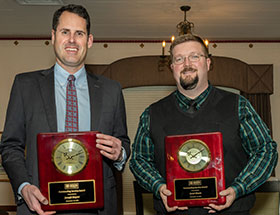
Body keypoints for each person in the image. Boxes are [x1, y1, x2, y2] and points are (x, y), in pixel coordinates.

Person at [0, 4, 130, 215]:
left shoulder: (111, 90)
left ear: (89, 40)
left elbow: (122, 141)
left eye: (79, 33)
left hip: (98, 207)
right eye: (65, 32)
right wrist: (24, 187)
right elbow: (10, 146)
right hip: (40, 205)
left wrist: (120, 153)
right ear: (53, 36)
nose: (72, 40)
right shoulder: (25, 85)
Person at [129, 33, 278, 215]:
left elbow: (265, 150)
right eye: (179, 59)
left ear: (208, 63)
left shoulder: (239, 106)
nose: (187, 64)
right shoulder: (151, 114)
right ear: (172, 68)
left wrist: (238, 189)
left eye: (194, 56)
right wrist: (159, 187)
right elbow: (139, 160)